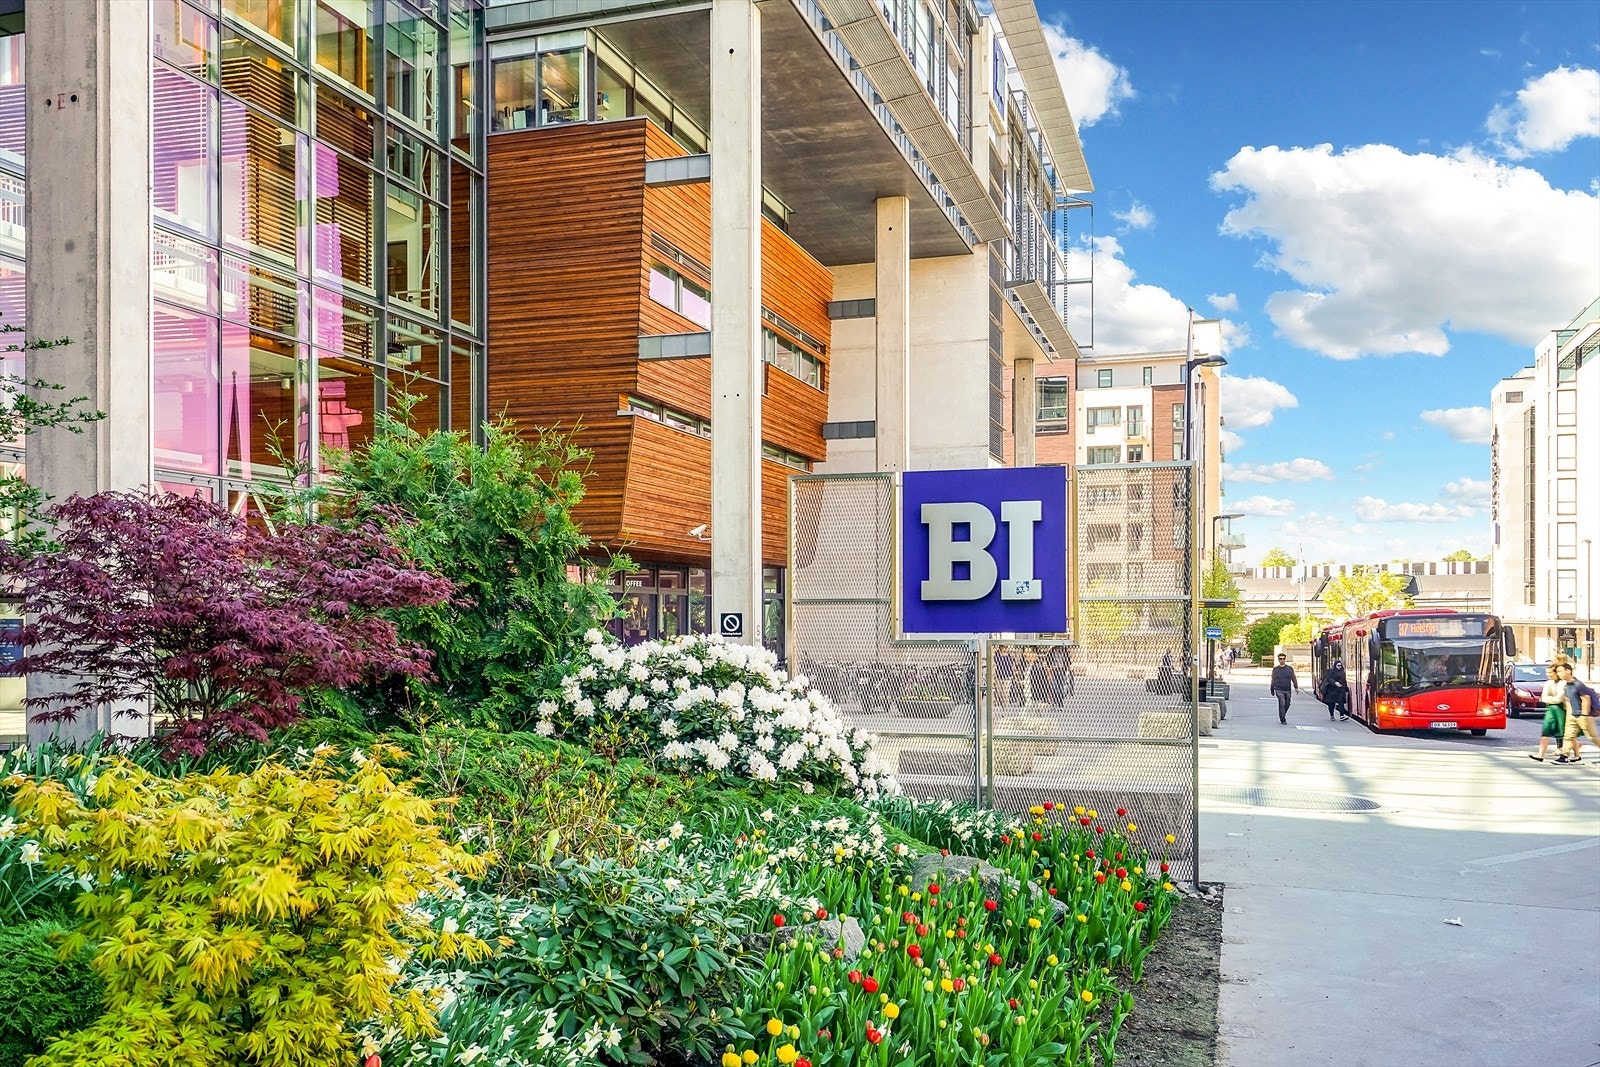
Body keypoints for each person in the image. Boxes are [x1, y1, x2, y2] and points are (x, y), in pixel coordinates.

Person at [1553, 663, 1599, 764]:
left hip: (1584, 716)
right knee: (1568, 736)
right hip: (1572, 716)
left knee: (1592, 737)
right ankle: (1564, 756)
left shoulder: (1578, 685)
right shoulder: (1567, 685)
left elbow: (1586, 699)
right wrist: (1570, 715)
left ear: (1568, 671)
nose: (1558, 674)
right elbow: (1569, 700)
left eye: (1560, 671)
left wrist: (1584, 715)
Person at [1530, 666, 1568, 762]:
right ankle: (1540, 755)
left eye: (1550, 673)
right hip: (1550, 709)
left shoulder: (1563, 683)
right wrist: (1553, 699)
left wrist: (1550, 699)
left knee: (1563, 732)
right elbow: (1544, 698)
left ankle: (1572, 752)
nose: (1548, 675)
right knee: (1546, 731)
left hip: (1561, 710)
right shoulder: (1548, 683)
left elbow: (1560, 697)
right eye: (1547, 673)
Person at [1270, 652, 1300, 724]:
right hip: (1279, 689)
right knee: (1282, 703)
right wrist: (1272, 689)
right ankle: (1283, 719)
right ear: (1278, 660)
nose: (1282, 660)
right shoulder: (1276, 669)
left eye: (1283, 659)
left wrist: (1296, 687)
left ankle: (1283, 714)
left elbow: (1293, 678)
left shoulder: (1289, 669)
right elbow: (1273, 679)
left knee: (1287, 704)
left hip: (1287, 689)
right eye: (1280, 659)